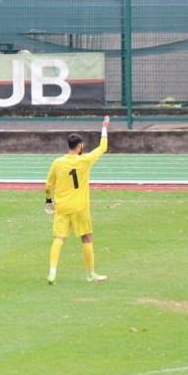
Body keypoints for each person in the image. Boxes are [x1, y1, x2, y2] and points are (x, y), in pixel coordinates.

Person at [45, 116, 110, 285]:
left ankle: (52, 272)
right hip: (80, 207)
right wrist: (104, 127)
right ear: (80, 146)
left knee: (58, 239)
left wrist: (48, 200)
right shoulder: (85, 160)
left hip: (62, 207)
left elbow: (48, 185)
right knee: (86, 238)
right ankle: (90, 274)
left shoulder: (58, 162)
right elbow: (103, 147)